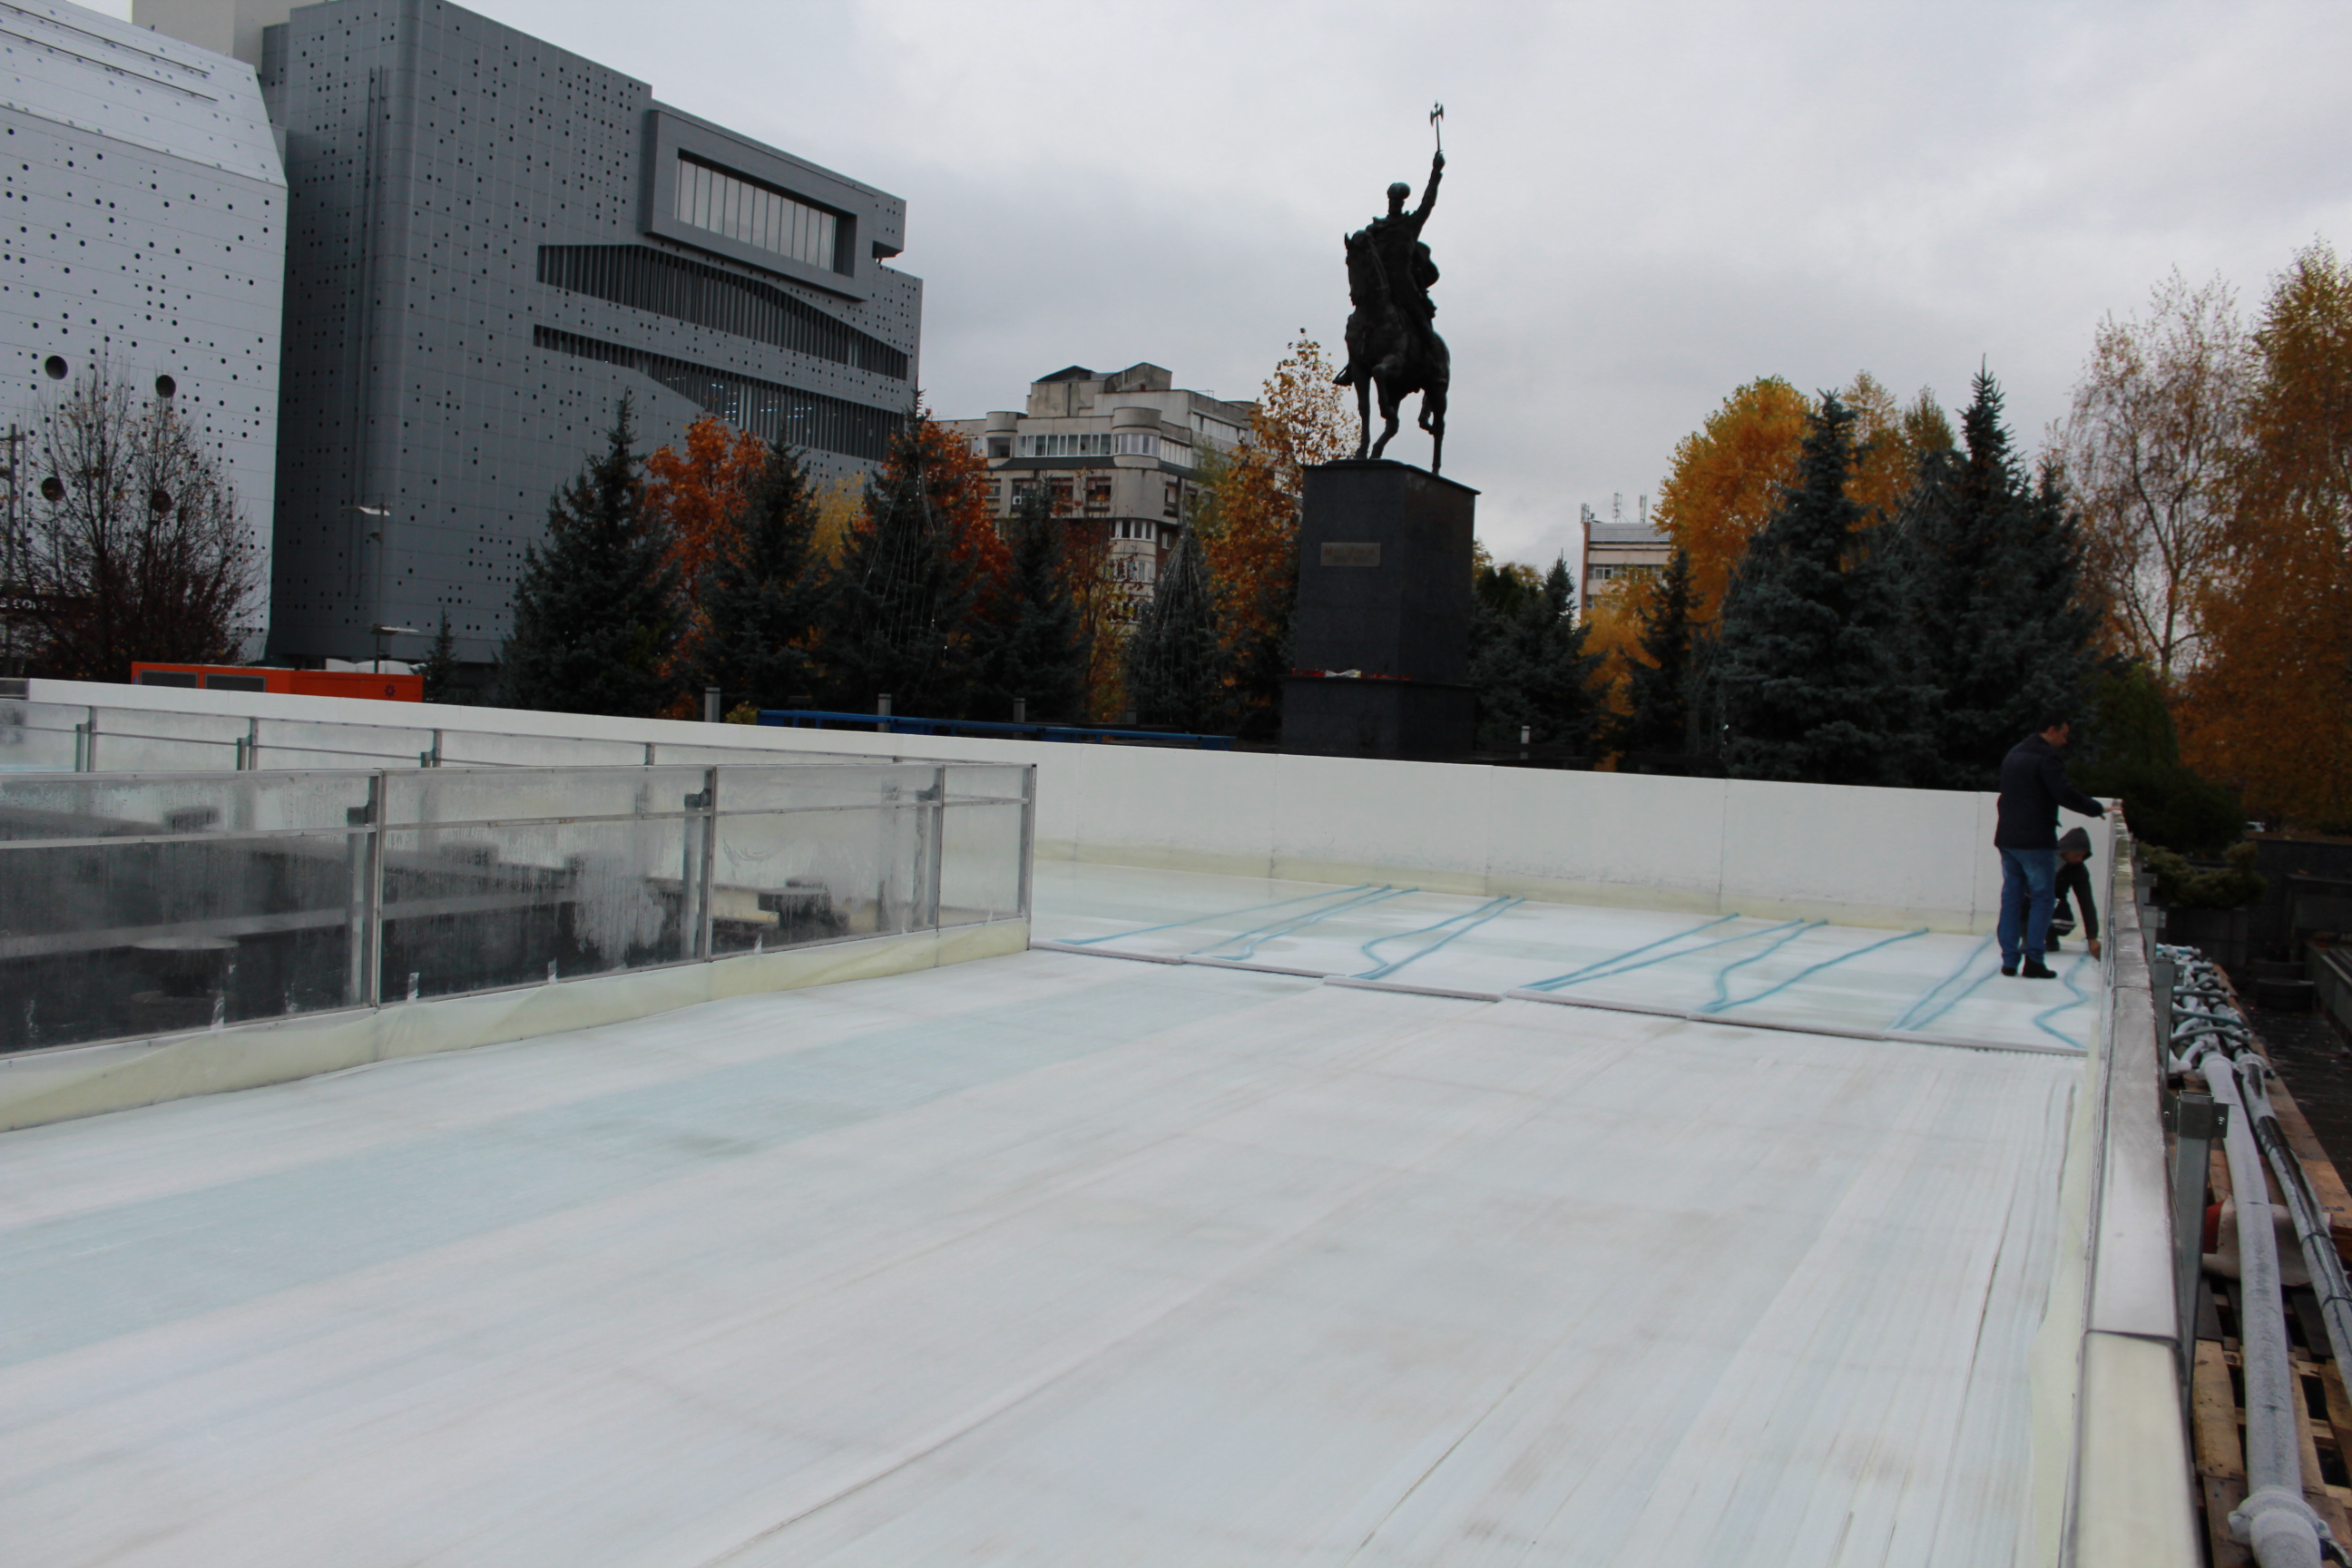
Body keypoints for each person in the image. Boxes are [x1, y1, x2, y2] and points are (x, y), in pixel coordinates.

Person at [1994, 713, 2107, 979]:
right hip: (2035, 841)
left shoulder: (2014, 754)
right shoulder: (2046, 757)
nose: (2066, 741)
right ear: (2052, 730)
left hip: (2007, 839)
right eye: (2064, 735)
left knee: (2011, 899)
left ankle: (2009, 961)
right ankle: (2034, 960)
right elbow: (2063, 793)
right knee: (2043, 900)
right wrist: (2095, 808)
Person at [2045, 826, 2103, 959]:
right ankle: (2027, 937)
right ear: (2067, 849)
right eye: (2077, 855)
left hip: (2055, 901)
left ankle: (2050, 936)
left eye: (2083, 856)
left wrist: (2092, 937)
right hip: (2031, 897)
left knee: (2063, 921)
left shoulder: (2078, 869)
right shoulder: (2045, 857)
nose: (2080, 859)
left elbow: (2086, 902)